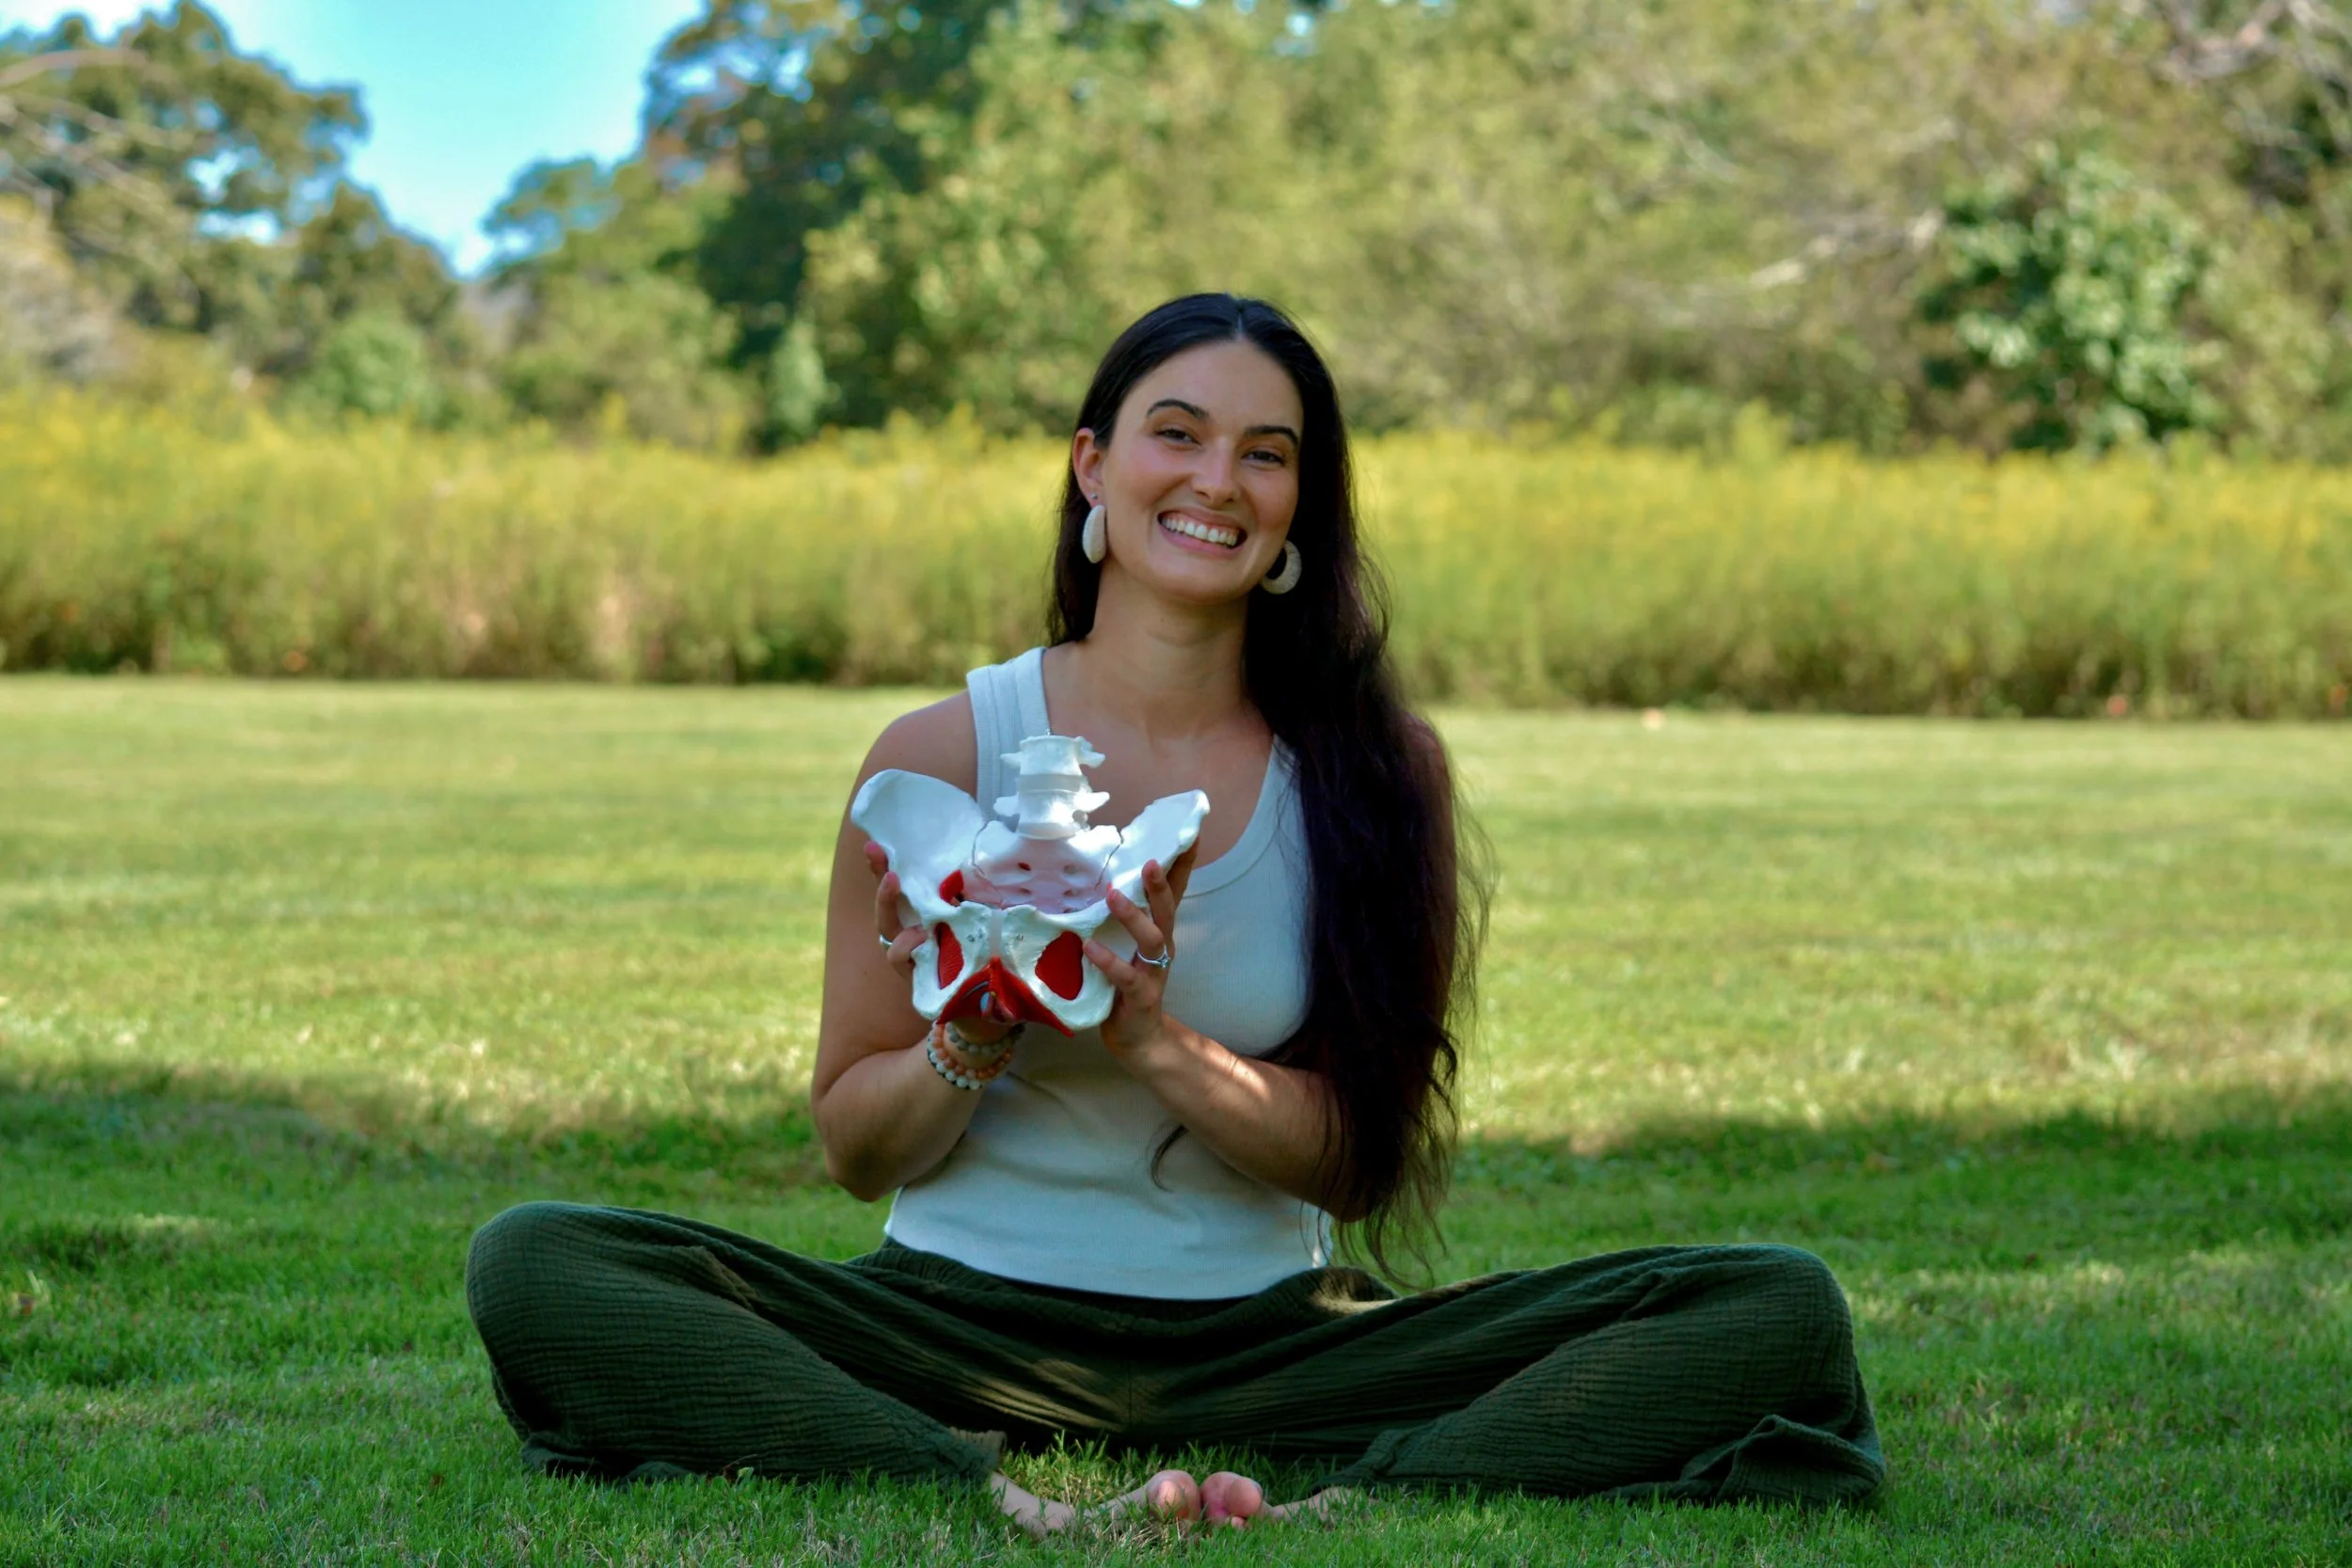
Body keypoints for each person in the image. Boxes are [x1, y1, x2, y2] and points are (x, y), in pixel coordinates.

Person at [464, 294, 1886, 1534]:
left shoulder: (1376, 777)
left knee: (1771, 1302)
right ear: (1094, 464)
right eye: (1178, 434)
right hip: (946, 1330)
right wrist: (975, 1024)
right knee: (536, 1260)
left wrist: (1148, 1033)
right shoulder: (936, 756)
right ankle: (986, 1489)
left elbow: (1358, 1166)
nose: (1218, 481)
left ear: (1299, 507)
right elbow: (854, 1146)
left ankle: (1357, 1498)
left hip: (1275, 1351)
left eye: (1267, 454)